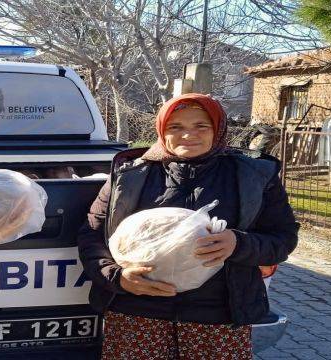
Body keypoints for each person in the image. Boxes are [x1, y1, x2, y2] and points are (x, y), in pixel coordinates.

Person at [77, 93, 298, 359]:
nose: (187, 135)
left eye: (201, 126)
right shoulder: (131, 175)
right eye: (175, 127)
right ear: (161, 131)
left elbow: (282, 239)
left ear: (217, 129)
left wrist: (238, 244)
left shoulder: (253, 176)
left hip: (218, 317)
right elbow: (92, 233)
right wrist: (116, 277)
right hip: (138, 312)